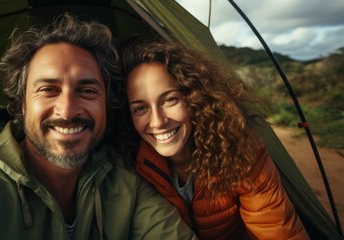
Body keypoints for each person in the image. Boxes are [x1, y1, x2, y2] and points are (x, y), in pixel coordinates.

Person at [0, 14, 197, 240]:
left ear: (106, 103)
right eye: (49, 89)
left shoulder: (127, 184)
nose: (68, 110)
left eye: (87, 91)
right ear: (22, 104)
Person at [118, 41, 310, 239]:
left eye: (169, 100)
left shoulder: (241, 151)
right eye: (140, 108)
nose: (157, 122)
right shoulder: (129, 165)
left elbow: (277, 230)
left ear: (194, 99)